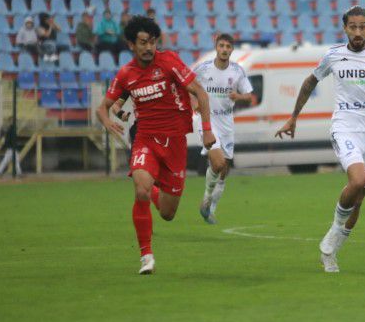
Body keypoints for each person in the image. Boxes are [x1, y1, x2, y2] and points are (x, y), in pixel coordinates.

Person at [275, 5, 365, 273]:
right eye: (353, 27)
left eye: (362, 27)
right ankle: (332, 234)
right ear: (345, 28)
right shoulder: (333, 55)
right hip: (344, 126)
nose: (357, 32)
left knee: (359, 200)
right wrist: (293, 117)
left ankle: (331, 253)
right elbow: (310, 82)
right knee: (357, 179)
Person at [97, 17, 216, 275]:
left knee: (167, 212)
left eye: (152, 42)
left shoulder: (169, 61)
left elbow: (201, 93)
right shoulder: (126, 74)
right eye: (142, 42)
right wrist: (107, 121)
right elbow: (104, 107)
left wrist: (206, 131)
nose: (148, 47)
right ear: (131, 44)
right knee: (140, 190)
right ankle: (146, 256)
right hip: (146, 139)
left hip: (175, 143)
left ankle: (152, 190)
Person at [192, 33, 257, 225]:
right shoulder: (203, 69)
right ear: (216, 47)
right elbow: (188, 86)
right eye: (221, 46)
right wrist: (194, 101)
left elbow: (250, 97)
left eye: (228, 47)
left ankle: (210, 209)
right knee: (218, 163)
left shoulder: (237, 71)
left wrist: (238, 96)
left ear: (232, 50)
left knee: (223, 170)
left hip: (226, 123)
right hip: (207, 121)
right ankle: (206, 197)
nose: (224, 50)